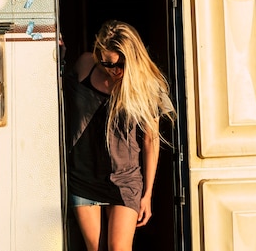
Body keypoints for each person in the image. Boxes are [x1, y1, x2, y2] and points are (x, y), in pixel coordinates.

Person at [63, 20, 175, 251]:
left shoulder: (146, 85)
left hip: (125, 179)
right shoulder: (86, 65)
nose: (115, 71)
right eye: (107, 63)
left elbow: (150, 141)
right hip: (83, 176)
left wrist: (147, 194)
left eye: (121, 64)